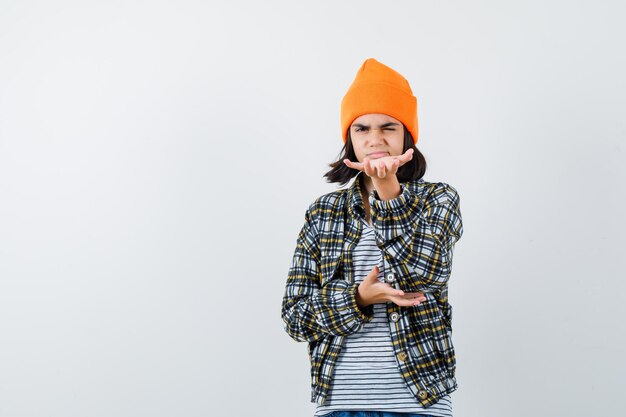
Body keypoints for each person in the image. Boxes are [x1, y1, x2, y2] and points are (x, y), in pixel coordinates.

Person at [281, 58, 464, 417]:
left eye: (388, 127)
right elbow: (295, 316)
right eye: (361, 129)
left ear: (406, 135)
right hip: (341, 404)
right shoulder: (323, 213)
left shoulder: (438, 199)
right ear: (349, 139)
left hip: (419, 402)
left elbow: (425, 276)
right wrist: (358, 298)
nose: (375, 140)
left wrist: (387, 190)